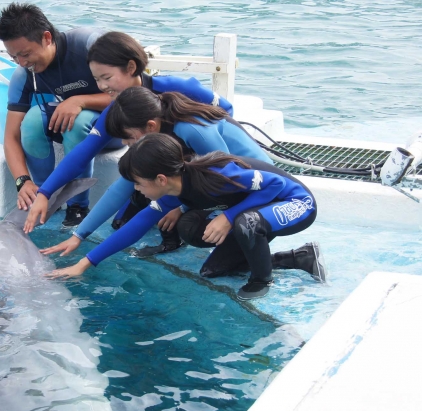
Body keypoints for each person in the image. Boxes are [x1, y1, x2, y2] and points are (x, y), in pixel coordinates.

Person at [47, 133, 326, 300]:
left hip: (295, 203)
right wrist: (84, 262)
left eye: (139, 183)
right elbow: (135, 227)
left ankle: (263, 280)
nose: (137, 190)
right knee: (212, 270)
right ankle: (300, 257)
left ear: (160, 178)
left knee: (246, 223)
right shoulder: (173, 192)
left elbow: (277, 186)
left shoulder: (218, 176)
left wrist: (228, 217)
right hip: (260, 210)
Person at [23, 31, 233, 232]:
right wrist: (45, 192)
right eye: (96, 79)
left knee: (189, 227)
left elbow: (226, 112)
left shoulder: (176, 87)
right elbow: (83, 153)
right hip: (160, 174)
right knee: (122, 224)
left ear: (131, 67)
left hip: (203, 171)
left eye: (107, 77)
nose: (102, 86)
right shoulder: (116, 110)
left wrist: (182, 202)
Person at [40, 85, 272, 259]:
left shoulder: (193, 130)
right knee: (126, 217)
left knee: (189, 227)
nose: (125, 143)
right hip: (208, 179)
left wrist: (181, 207)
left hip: (253, 188)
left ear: (151, 126)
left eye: (129, 137)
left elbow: (226, 179)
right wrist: (79, 235)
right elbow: (120, 187)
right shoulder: (157, 135)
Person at [0, 3, 111, 226]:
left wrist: (80, 100)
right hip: (73, 130)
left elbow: (136, 93)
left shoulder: (89, 46)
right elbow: (11, 137)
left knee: (78, 121)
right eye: (14, 56)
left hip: (112, 127)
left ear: (47, 38)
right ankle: (44, 194)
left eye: (26, 54)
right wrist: (22, 181)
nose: (22, 63)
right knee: (31, 121)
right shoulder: (24, 75)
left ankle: (77, 206)